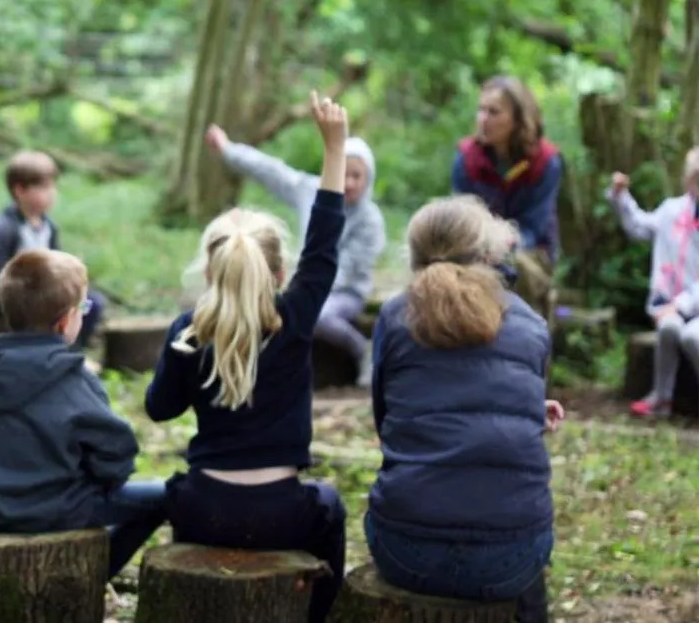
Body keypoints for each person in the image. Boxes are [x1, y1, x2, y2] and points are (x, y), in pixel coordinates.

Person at [145, 92, 351, 623]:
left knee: (171, 491)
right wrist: (335, 150)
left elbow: (160, 409)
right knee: (329, 503)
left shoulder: (188, 332)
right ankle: (320, 614)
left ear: (211, 274)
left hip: (203, 510)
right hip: (285, 514)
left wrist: (178, 362)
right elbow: (324, 247)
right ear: (279, 276)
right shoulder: (296, 316)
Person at [366, 196, 562, 623]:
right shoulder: (529, 323)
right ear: (490, 255)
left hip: (406, 549)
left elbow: (386, 421)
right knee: (526, 556)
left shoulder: (395, 317)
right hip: (511, 556)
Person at [0, 249, 168, 579]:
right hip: (63, 510)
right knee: (166, 496)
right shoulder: (75, 380)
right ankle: (93, 575)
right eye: (84, 309)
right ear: (66, 321)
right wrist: (97, 479)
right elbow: (115, 453)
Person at [204, 124, 386, 386]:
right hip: (304, 283)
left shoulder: (370, 220)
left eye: (357, 176)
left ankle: (363, 351)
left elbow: (349, 268)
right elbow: (270, 171)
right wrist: (227, 149)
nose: (348, 183)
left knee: (317, 316)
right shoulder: (311, 191)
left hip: (345, 291)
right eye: (343, 174)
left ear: (368, 178)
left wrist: (305, 292)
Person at [0, 150, 105, 348]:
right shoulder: (4, 230)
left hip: (44, 294)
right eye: (43, 188)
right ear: (20, 191)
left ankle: (71, 351)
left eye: (53, 187)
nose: (52, 193)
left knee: (91, 303)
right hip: (15, 300)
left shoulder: (49, 227)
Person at [451, 76, 563, 314]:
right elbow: (462, 218)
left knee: (515, 267)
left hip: (530, 251)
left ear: (518, 119)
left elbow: (535, 227)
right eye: (481, 110)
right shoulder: (466, 160)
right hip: (475, 246)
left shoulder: (545, 163)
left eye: (494, 112)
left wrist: (502, 245)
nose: (483, 119)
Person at [611, 147, 699, 419]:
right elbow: (638, 226)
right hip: (668, 304)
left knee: (691, 336)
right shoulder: (671, 211)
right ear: (688, 181)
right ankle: (661, 398)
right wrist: (621, 197)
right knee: (669, 330)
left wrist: (682, 305)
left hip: (693, 307)